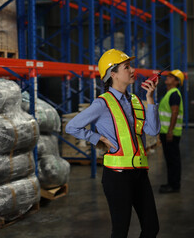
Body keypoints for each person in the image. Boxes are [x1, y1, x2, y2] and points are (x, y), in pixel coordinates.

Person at [65, 49, 160, 237]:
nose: (132, 70)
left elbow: (152, 130)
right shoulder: (102, 104)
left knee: (151, 227)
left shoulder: (134, 100)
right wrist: (97, 138)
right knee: (120, 231)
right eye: (127, 67)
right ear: (113, 74)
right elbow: (71, 126)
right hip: (117, 178)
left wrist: (150, 99)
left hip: (140, 174)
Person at [158, 69, 184, 193]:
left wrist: (170, 131)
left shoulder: (174, 94)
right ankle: (171, 183)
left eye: (171, 76)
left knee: (173, 160)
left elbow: (175, 112)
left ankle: (174, 185)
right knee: (169, 160)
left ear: (176, 81)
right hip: (166, 132)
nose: (167, 77)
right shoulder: (169, 93)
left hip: (171, 133)